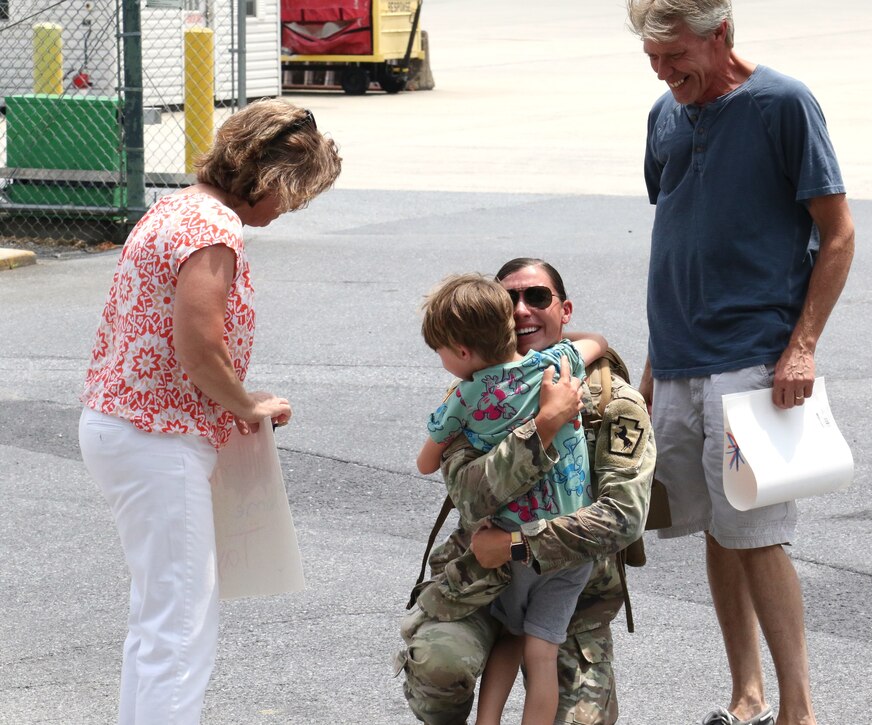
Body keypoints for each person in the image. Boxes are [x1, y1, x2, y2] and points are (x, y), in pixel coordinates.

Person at [626, 2, 856, 724]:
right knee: (713, 530)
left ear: (721, 34)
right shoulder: (665, 114)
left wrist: (803, 345)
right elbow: (681, 236)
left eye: (676, 58)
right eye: (653, 61)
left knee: (757, 534)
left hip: (751, 360)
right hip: (679, 357)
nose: (665, 74)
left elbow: (839, 234)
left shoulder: (782, 105)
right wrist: (654, 362)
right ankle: (746, 695)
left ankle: (799, 709)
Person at [78, 99, 341, 724]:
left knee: (161, 613)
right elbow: (200, 347)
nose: (288, 211)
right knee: (182, 623)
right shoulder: (213, 229)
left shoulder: (177, 206)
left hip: (126, 424)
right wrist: (247, 403)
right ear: (272, 179)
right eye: (294, 195)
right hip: (158, 436)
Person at [396, 258, 656, 725]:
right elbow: (469, 494)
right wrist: (543, 425)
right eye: (508, 299)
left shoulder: (609, 400)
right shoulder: (475, 394)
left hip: (574, 592)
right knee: (440, 663)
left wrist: (517, 545)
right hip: (482, 579)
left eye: (536, 297)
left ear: (565, 308)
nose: (521, 311)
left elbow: (622, 518)